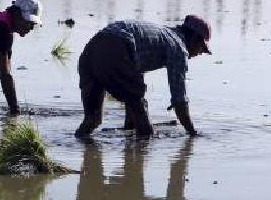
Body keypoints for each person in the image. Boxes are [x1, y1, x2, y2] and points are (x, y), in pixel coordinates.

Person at [74, 15, 212, 139]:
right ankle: (136, 162)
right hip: (117, 46)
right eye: (202, 48)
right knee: (145, 128)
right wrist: (192, 132)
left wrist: (130, 124)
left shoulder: (160, 35)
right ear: (194, 38)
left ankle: (81, 145)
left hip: (91, 50)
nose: (200, 53)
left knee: (92, 120)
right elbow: (179, 99)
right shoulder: (178, 48)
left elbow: (132, 84)